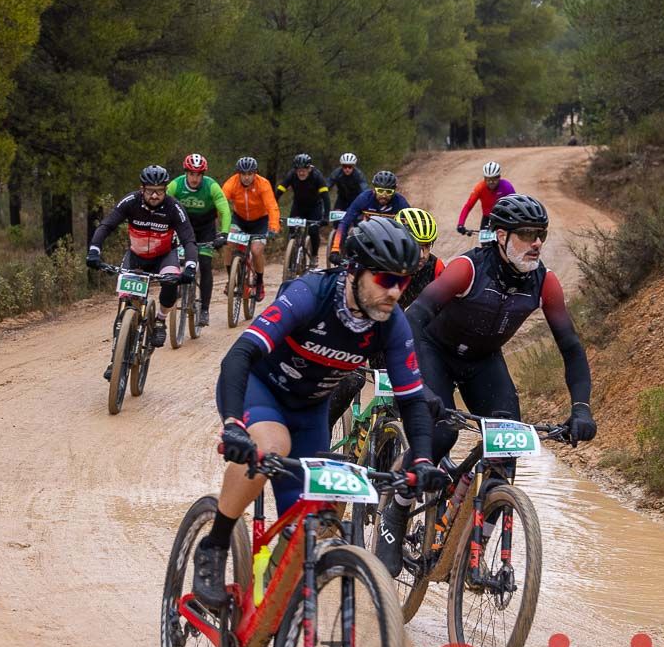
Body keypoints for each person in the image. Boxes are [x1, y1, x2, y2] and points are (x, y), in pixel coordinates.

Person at [193, 217, 449, 607]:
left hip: (311, 409)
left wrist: (425, 459)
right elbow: (240, 355)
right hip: (262, 390)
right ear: (354, 271)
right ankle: (215, 544)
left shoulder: (391, 323)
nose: (396, 292)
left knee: (312, 525)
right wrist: (232, 425)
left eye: (403, 280)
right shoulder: (312, 294)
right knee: (272, 446)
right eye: (385, 279)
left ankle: (271, 614)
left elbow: (412, 399)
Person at [375, 194, 597, 575]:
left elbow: (571, 348)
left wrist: (581, 407)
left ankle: (475, 549)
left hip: (482, 361)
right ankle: (395, 511)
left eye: (540, 234)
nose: (537, 243)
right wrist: (418, 386)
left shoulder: (545, 283)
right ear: (500, 236)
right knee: (441, 433)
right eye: (527, 235)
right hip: (434, 349)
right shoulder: (467, 269)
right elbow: (413, 319)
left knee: (505, 450)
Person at [325, 207, 445, 430]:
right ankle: (322, 430)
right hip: (358, 329)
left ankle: (384, 438)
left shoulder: (436, 268)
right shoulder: (378, 257)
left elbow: (445, 314)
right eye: (416, 246)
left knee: (407, 390)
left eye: (427, 246)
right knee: (353, 380)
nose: (422, 255)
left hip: (392, 334)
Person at [85, 165, 198, 364]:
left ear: (165, 190)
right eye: (150, 191)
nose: (155, 195)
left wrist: (189, 266)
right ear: (141, 188)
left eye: (160, 191)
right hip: (136, 256)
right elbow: (107, 225)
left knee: (171, 283)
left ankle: (161, 320)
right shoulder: (130, 202)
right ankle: (117, 358)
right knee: (124, 304)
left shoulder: (174, 207)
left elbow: (188, 240)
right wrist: (94, 250)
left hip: (165, 256)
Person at [167, 153, 232, 327]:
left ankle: (204, 309)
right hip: (183, 226)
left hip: (205, 229)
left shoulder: (211, 186)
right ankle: (176, 288)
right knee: (176, 259)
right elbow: (164, 205)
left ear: (203, 175)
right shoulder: (176, 185)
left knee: (204, 264)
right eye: (191, 174)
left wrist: (224, 234)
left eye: (198, 174)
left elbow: (225, 210)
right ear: (186, 173)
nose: (194, 178)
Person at [221, 156, 281, 301]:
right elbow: (221, 202)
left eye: (250, 174)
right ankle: (232, 280)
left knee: (256, 250)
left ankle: (259, 283)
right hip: (239, 219)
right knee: (228, 244)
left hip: (260, 221)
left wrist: (273, 227)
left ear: (255, 173)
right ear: (238, 173)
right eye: (243, 174)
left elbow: (272, 207)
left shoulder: (263, 184)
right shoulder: (232, 183)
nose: (247, 177)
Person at [331, 170, 409, 261]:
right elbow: (345, 222)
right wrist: (335, 249)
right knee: (353, 237)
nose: (384, 196)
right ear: (373, 189)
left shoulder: (400, 202)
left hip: (391, 239)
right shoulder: (364, 198)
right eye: (380, 191)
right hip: (368, 237)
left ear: (394, 191)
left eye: (388, 192)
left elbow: (410, 225)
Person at [275, 153, 331, 268]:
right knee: (292, 229)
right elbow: (279, 192)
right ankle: (291, 253)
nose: (301, 173)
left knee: (313, 231)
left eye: (304, 170)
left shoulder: (317, 176)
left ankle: (314, 256)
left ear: (309, 168)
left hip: (314, 207)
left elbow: (326, 198)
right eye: (298, 170)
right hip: (298, 206)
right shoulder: (291, 175)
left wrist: (326, 217)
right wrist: (273, 211)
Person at [456, 160, 515, 234]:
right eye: (488, 179)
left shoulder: (506, 186)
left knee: (507, 243)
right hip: (487, 218)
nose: (491, 182)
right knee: (485, 244)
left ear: (499, 177)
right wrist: (460, 224)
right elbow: (468, 206)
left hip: (504, 218)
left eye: (494, 178)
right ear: (484, 178)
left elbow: (515, 204)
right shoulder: (480, 188)